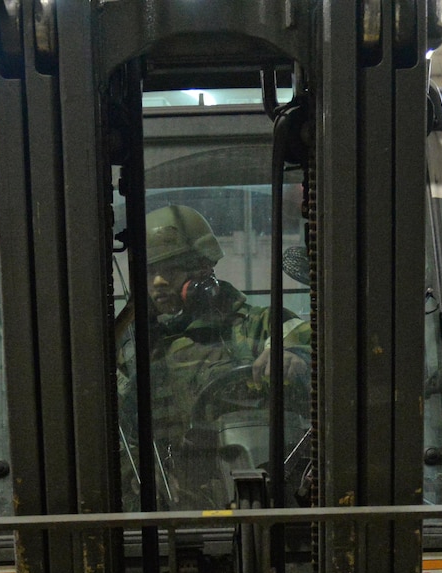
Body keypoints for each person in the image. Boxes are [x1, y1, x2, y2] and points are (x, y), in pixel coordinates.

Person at [125, 204, 311, 507]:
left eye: (170, 270)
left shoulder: (257, 325)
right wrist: (137, 472)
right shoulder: (136, 347)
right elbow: (114, 424)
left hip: (258, 490)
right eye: (150, 272)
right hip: (174, 498)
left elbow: (318, 349)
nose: (158, 282)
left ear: (202, 270)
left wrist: (293, 353)